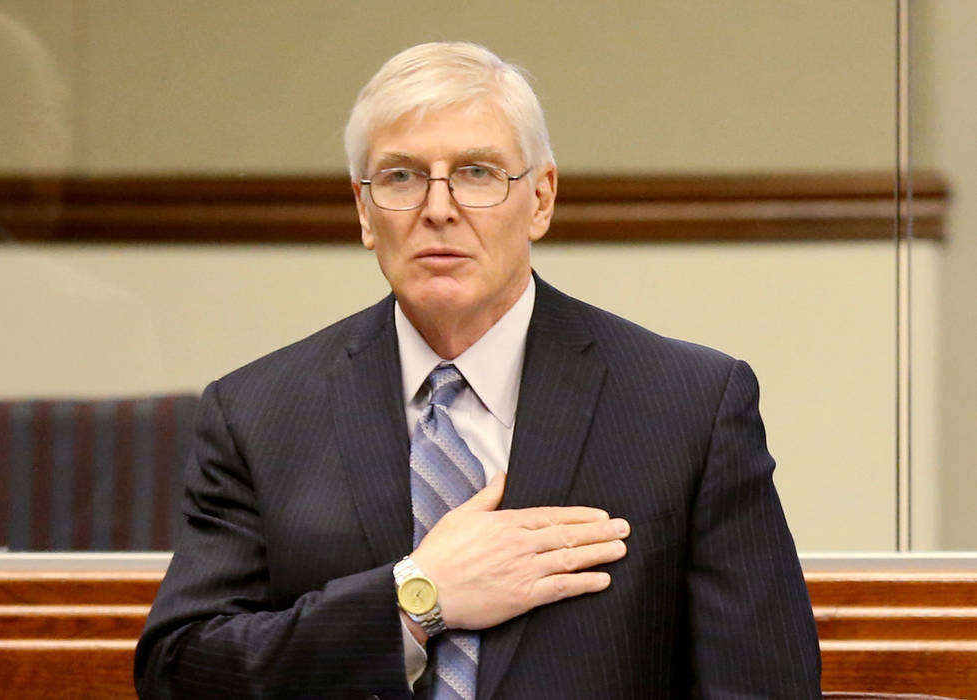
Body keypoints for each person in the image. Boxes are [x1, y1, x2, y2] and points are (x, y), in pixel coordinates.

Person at [134, 41, 821, 699]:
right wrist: (414, 598)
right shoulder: (257, 414)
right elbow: (183, 669)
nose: (439, 209)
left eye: (477, 173)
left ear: (542, 199)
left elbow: (761, 687)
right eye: (401, 176)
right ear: (364, 211)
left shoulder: (687, 408)